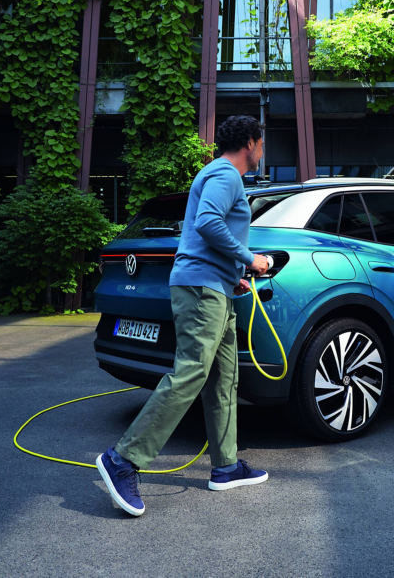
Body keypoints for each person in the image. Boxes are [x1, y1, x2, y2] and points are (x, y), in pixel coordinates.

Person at [96, 116, 271, 516]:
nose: (262, 152)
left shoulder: (220, 174)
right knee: (192, 372)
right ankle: (122, 459)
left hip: (217, 287)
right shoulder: (226, 174)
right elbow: (208, 223)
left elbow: (203, 232)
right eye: (261, 144)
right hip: (201, 289)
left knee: (224, 380)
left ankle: (225, 466)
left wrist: (235, 276)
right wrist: (250, 259)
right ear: (250, 142)